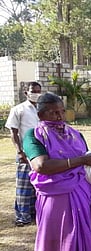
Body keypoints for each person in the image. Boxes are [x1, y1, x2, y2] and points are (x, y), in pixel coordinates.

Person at [22, 92, 91, 251]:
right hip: (55, 199)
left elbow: (87, 160)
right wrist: (81, 161)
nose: (59, 116)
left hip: (82, 194)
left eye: (62, 111)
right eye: (53, 112)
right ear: (40, 115)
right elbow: (41, 166)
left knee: (85, 239)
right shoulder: (33, 136)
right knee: (59, 241)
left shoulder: (75, 134)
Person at [5, 81, 42, 226]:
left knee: (39, 184)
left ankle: (35, 213)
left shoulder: (43, 108)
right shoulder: (18, 109)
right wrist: (20, 151)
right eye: (33, 91)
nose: (36, 94)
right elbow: (13, 131)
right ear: (26, 93)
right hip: (26, 152)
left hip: (42, 153)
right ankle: (22, 216)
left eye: (39, 91)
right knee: (24, 185)